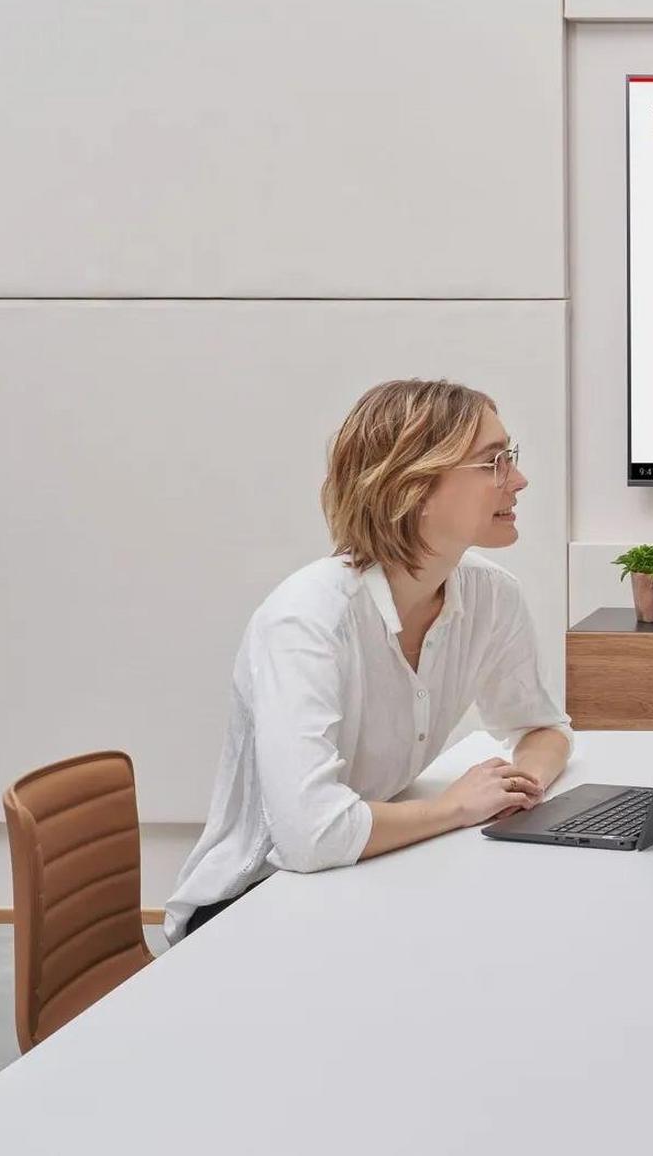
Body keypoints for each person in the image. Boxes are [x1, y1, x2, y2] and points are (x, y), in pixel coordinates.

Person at [164, 379, 573, 942]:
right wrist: (456, 808)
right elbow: (310, 833)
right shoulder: (307, 619)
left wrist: (516, 787)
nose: (519, 479)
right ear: (416, 487)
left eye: (512, 457)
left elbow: (541, 727)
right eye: (493, 462)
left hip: (363, 873)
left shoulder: (491, 595)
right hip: (252, 903)